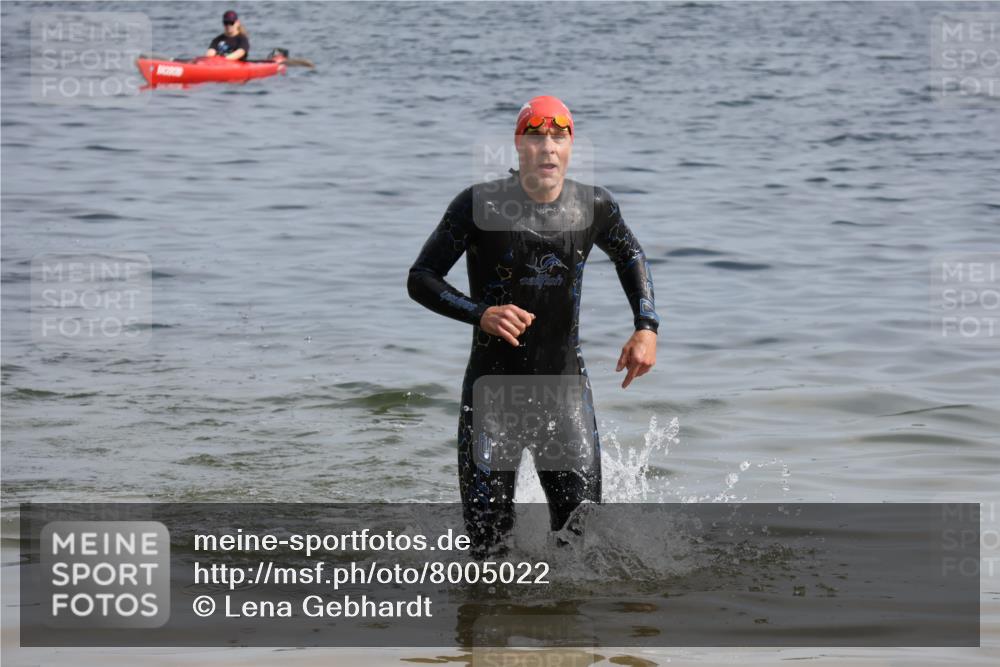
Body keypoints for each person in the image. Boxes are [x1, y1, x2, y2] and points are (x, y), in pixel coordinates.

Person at [407, 96, 660, 559]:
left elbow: (631, 254)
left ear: (571, 145)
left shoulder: (594, 205)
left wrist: (646, 327)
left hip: (564, 396)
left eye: (559, 137)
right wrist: (481, 313)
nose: (548, 147)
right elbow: (421, 278)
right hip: (491, 401)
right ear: (518, 144)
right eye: (536, 137)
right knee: (488, 553)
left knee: (583, 544)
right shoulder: (478, 204)